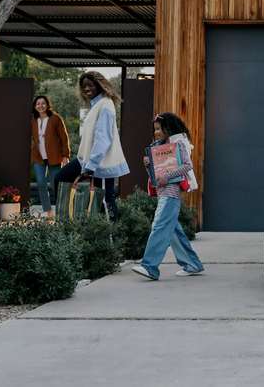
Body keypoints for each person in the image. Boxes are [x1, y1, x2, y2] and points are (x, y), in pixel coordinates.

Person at [130, 112, 204, 280]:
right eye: (155, 129)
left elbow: (187, 165)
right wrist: (148, 165)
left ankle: (150, 267)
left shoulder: (178, 143)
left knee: (159, 227)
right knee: (173, 232)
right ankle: (192, 264)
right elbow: (156, 176)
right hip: (163, 192)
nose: (156, 132)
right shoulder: (158, 145)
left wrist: (168, 176)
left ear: (169, 128)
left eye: (159, 129)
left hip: (171, 194)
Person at [55, 71, 129, 220]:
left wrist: (90, 166)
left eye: (90, 85)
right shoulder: (98, 105)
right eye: (83, 87)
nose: (86, 89)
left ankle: (109, 233)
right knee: (106, 198)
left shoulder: (105, 105)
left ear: (99, 85)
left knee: (105, 199)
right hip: (93, 160)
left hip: (96, 162)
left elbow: (103, 138)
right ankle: (101, 228)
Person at [30, 95, 71, 218]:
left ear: (47, 105)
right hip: (38, 157)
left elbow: (64, 137)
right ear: (35, 106)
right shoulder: (33, 120)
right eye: (38, 104)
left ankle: (61, 210)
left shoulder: (55, 118)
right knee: (41, 182)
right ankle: (48, 211)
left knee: (55, 184)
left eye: (43, 103)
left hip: (54, 156)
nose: (40, 106)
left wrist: (66, 155)